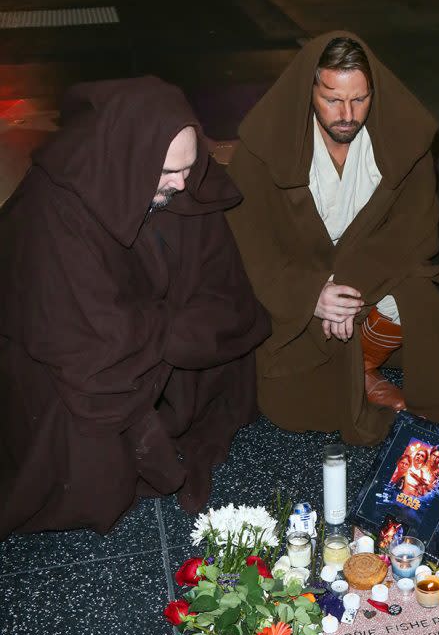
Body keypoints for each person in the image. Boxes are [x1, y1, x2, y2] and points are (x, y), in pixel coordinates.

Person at [0, 76, 270, 539]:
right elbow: (78, 339)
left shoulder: (181, 185)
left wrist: (166, 329)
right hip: (69, 355)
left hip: (142, 333)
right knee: (89, 453)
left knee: (227, 347)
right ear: (129, 161)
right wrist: (165, 329)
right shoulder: (56, 208)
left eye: (188, 167)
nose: (183, 183)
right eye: (168, 172)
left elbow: (226, 290)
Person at [227, 32, 439, 445]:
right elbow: (250, 247)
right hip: (295, 292)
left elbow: (414, 229)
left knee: (422, 302)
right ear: (307, 91)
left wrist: (348, 291)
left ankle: (362, 364)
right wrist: (313, 294)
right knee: (291, 404)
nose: (348, 114)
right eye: (332, 99)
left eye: (360, 99)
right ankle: (357, 372)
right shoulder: (262, 153)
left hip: (369, 278)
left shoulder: (401, 143)